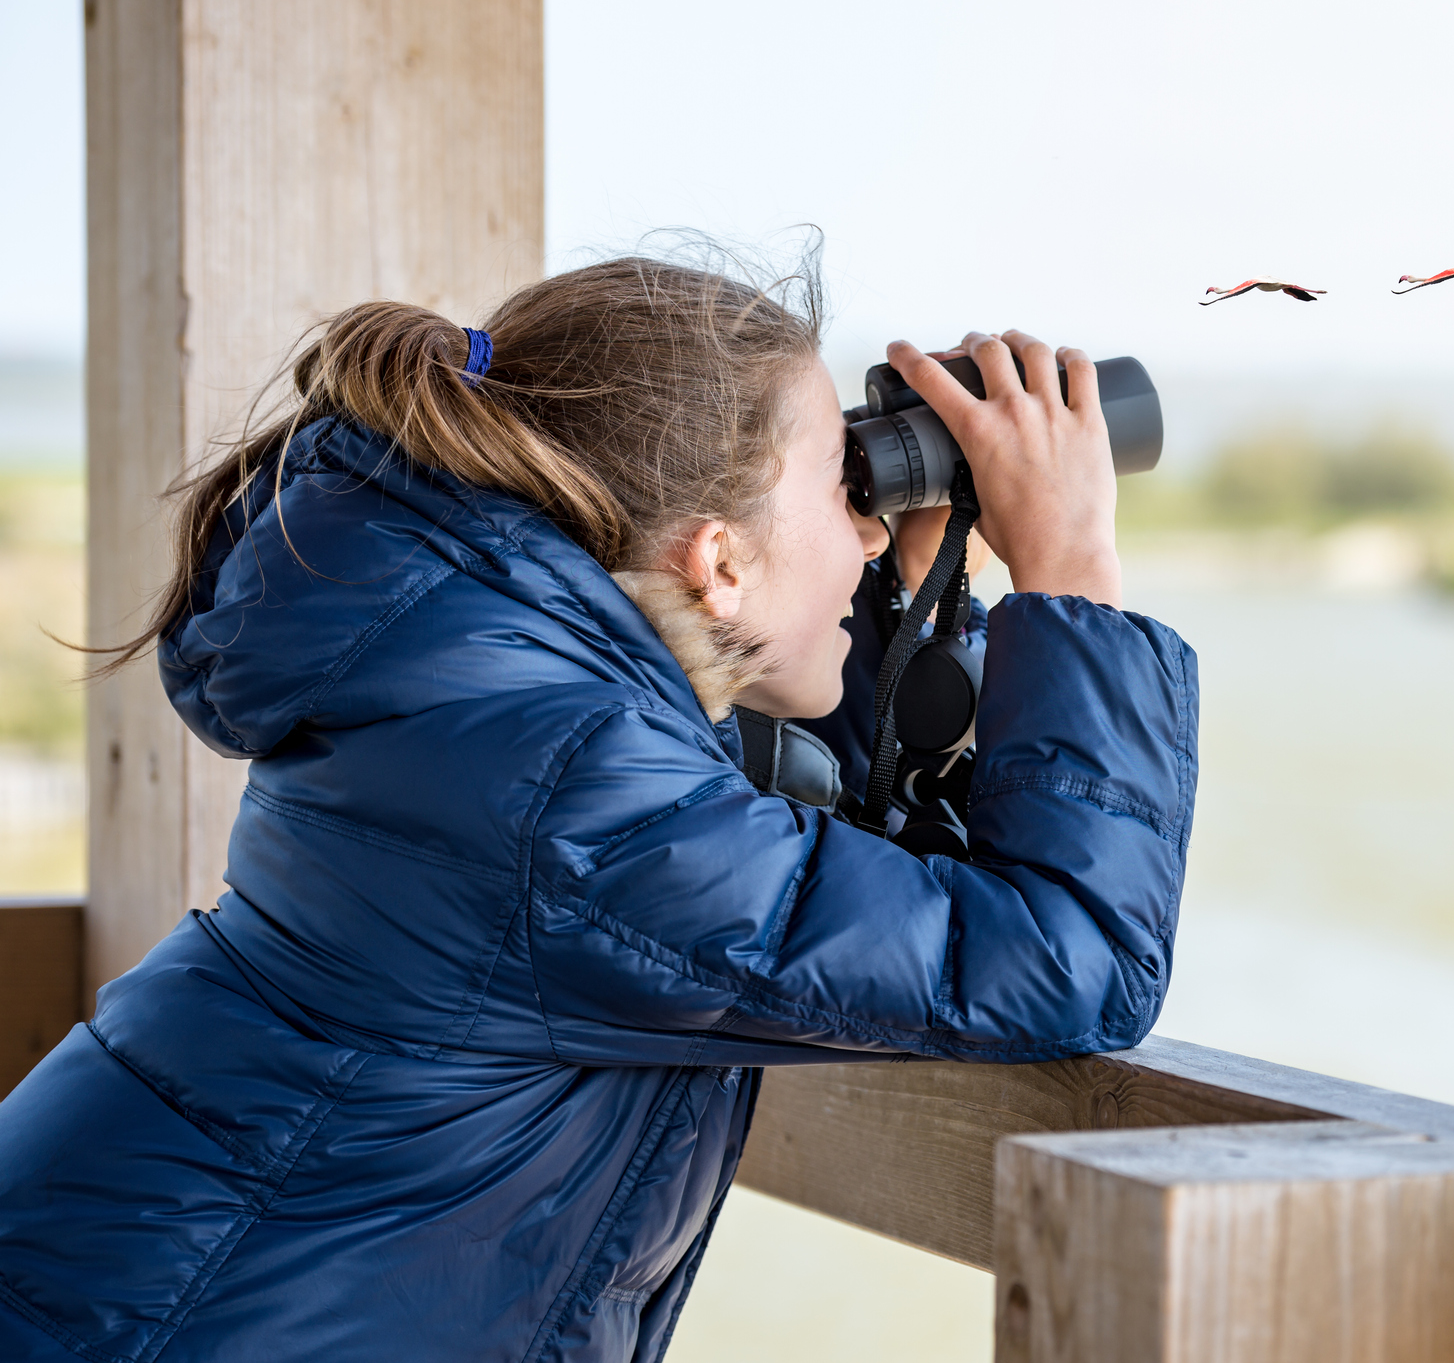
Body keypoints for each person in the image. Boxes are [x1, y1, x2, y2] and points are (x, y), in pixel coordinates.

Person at [0, 253, 1198, 1362]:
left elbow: (841, 874)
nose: (873, 520)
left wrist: (917, 588)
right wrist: (1074, 568)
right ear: (718, 559)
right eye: (845, 489)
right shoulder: (566, 793)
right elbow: (1065, 957)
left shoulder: (492, 693)